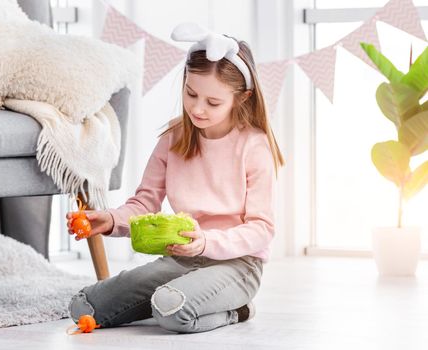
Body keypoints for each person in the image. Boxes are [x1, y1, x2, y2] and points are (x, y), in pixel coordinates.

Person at [66, 22, 284, 334]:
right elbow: (145, 202)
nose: (197, 108)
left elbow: (262, 230)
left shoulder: (254, 145)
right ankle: (171, 299)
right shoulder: (174, 138)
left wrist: (206, 241)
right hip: (180, 259)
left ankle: (238, 309)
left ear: (243, 98)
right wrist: (112, 221)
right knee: (84, 306)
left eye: (213, 102)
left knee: (171, 310)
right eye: (191, 93)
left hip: (237, 264)